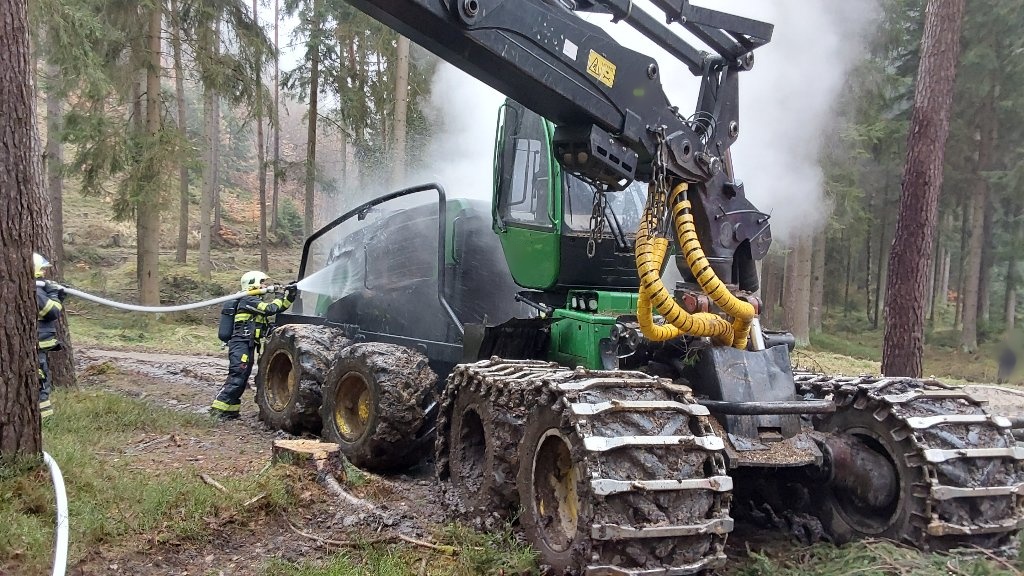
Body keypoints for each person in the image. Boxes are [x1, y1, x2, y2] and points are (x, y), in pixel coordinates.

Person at [210, 271, 296, 420]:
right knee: (238, 375)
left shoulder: (253, 301)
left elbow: (279, 308)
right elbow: (270, 309)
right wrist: (279, 295)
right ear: (252, 284)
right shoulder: (247, 300)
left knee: (243, 377)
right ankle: (217, 411)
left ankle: (230, 410)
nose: (265, 285)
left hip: (248, 344)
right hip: (240, 344)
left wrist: (290, 296)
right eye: (262, 282)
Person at [34, 252, 64, 419]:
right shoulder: (36, 291)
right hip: (37, 343)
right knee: (41, 381)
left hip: (39, 343)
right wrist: (53, 295)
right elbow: (51, 312)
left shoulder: (39, 289)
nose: (45, 272)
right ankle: (44, 419)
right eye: (42, 269)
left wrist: (58, 296)